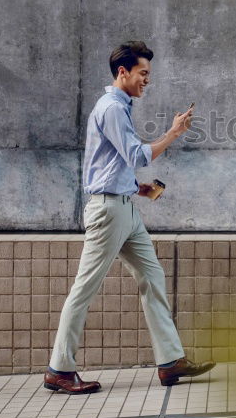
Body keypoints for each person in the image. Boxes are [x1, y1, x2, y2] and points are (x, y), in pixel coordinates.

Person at [44, 41, 214, 393]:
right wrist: (174, 133)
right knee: (84, 288)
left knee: (152, 277)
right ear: (123, 72)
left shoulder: (119, 107)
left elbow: (111, 164)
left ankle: (171, 362)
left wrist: (138, 189)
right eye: (143, 73)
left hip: (124, 206)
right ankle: (59, 369)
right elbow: (136, 154)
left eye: (148, 74)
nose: (147, 80)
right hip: (109, 212)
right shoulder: (111, 108)